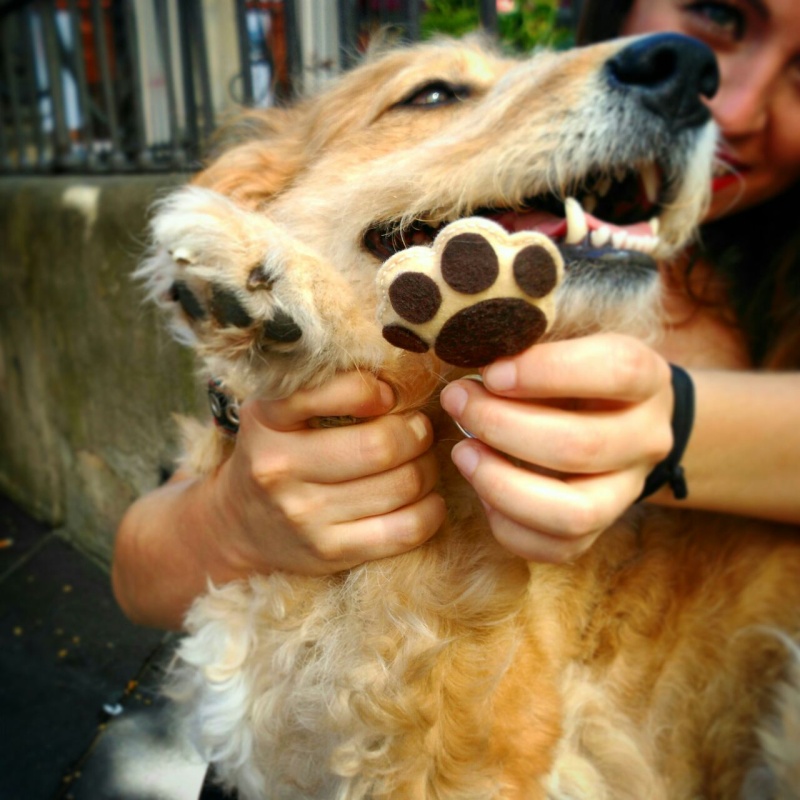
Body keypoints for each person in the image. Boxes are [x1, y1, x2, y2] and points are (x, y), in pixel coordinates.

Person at [112, 0, 800, 630]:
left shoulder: (768, 299)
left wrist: (672, 425)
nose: (730, 108)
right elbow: (141, 579)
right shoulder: (303, 309)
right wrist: (230, 521)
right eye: (436, 95)